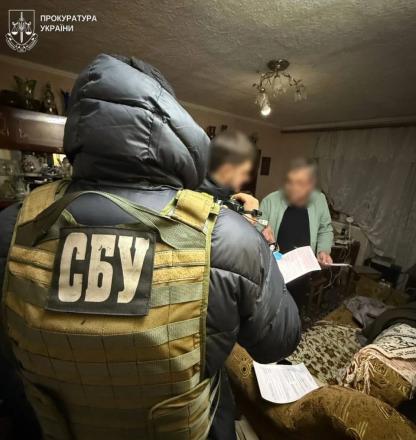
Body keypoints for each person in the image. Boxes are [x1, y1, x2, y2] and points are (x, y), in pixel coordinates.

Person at [0, 54, 300, 440]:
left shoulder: (14, 226)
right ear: (174, 133)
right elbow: (277, 343)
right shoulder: (230, 237)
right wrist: (262, 245)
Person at [260, 158, 334, 309]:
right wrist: (263, 233)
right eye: (290, 182)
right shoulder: (270, 201)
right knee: (268, 308)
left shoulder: (319, 200)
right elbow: (257, 227)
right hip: (273, 269)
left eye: (301, 184)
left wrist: (323, 251)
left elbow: (325, 229)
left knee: (294, 308)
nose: (294, 188)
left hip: (302, 270)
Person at [199, 130, 260, 222]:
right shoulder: (200, 202)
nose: (247, 178)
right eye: (243, 172)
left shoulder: (224, 197)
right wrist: (249, 218)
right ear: (227, 169)